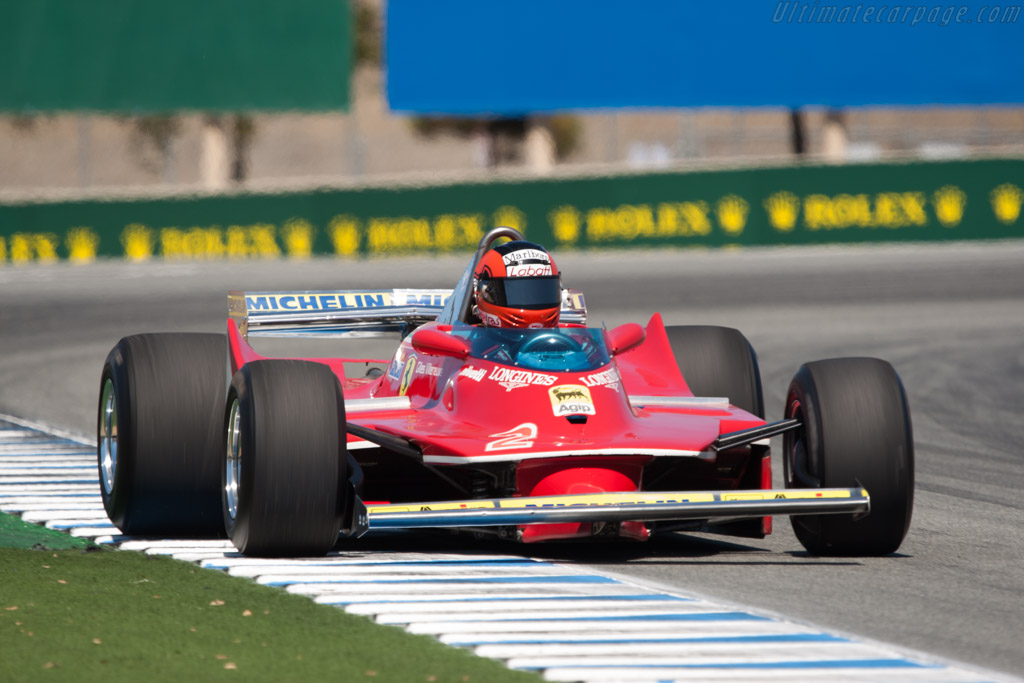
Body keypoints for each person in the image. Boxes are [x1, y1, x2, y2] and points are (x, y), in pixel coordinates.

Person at [472, 240, 562, 328]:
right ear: (485, 292)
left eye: (542, 293)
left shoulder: (567, 336)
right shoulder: (466, 342)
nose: (531, 300)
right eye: (517, 293)